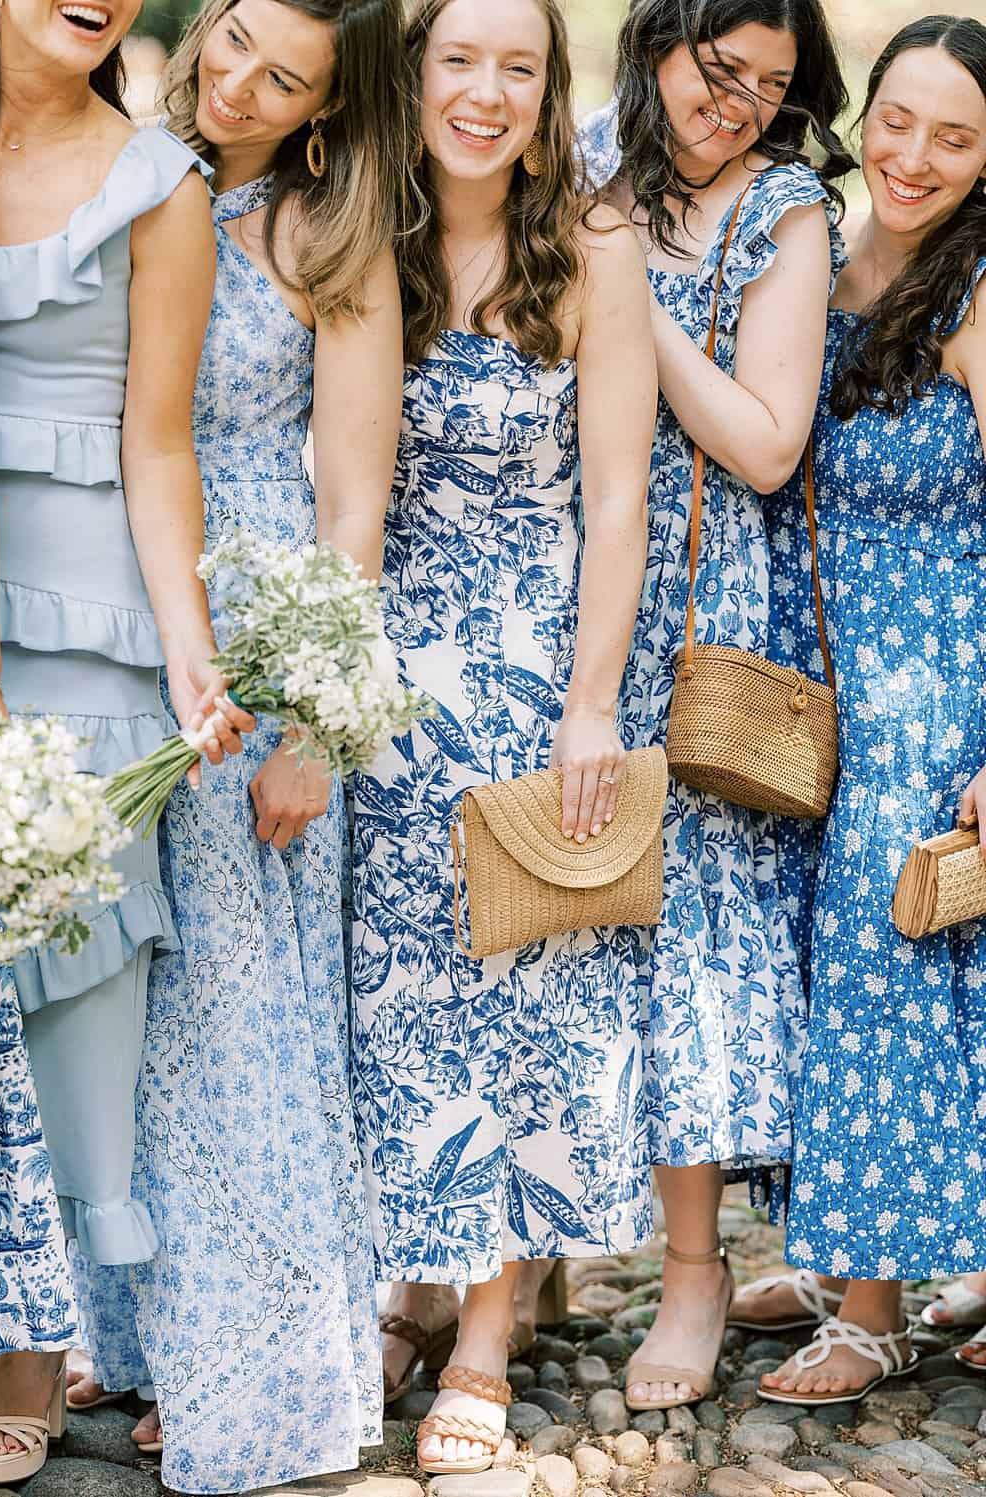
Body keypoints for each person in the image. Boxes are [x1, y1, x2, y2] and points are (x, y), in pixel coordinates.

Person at [71, 0, 412, 1481]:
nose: (242, 83)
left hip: (256, 656)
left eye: (286, 78)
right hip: (105, 620)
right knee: (120, 992)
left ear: (330, 107)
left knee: (236, 1011)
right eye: (234, 42)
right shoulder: (117, 173)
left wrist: (318, 731)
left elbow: (352, 508)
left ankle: (251, 1360)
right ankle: (139, 1334)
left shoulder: (328, 244)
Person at [356, 0, 657, 1469]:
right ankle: (412, 1275)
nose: (486, 94)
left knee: (522, 1003)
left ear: (551, 94)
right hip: (384, 681)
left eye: (518, 69)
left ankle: (487, 1324)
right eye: (458, 61)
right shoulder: (364, 228)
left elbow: (620, 494)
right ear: (412, 74)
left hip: (539, 669)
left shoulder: (596, 240)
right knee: (398, 1005)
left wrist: (592, 700)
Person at [0, 0, 246, 1474]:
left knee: (77, 1001)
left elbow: (161, 445)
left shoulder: (165, 185)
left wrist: (192, 666)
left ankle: (44, 1357)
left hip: (98, 635)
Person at [577, 0, 849, 1411]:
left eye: (771, 84)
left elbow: (764, 439)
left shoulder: (786, 208)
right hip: (566, 577)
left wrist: (621, 299)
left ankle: (698, 1271)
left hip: (708, 615)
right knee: (566, 920)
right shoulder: (579, 160)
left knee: (693, 944)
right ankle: (527, 1241)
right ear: (656, 38)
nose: (736, 102)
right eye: (715, 68)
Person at [722, 16, 986, 1405]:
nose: (915, 155)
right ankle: (854, 1250)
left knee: (895, 974)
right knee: (847, 974)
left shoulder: (979, 286)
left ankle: (878, 1311)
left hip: (943, 672)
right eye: (898, 120)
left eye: (954, 135)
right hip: (824, 667)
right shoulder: (817, 250)